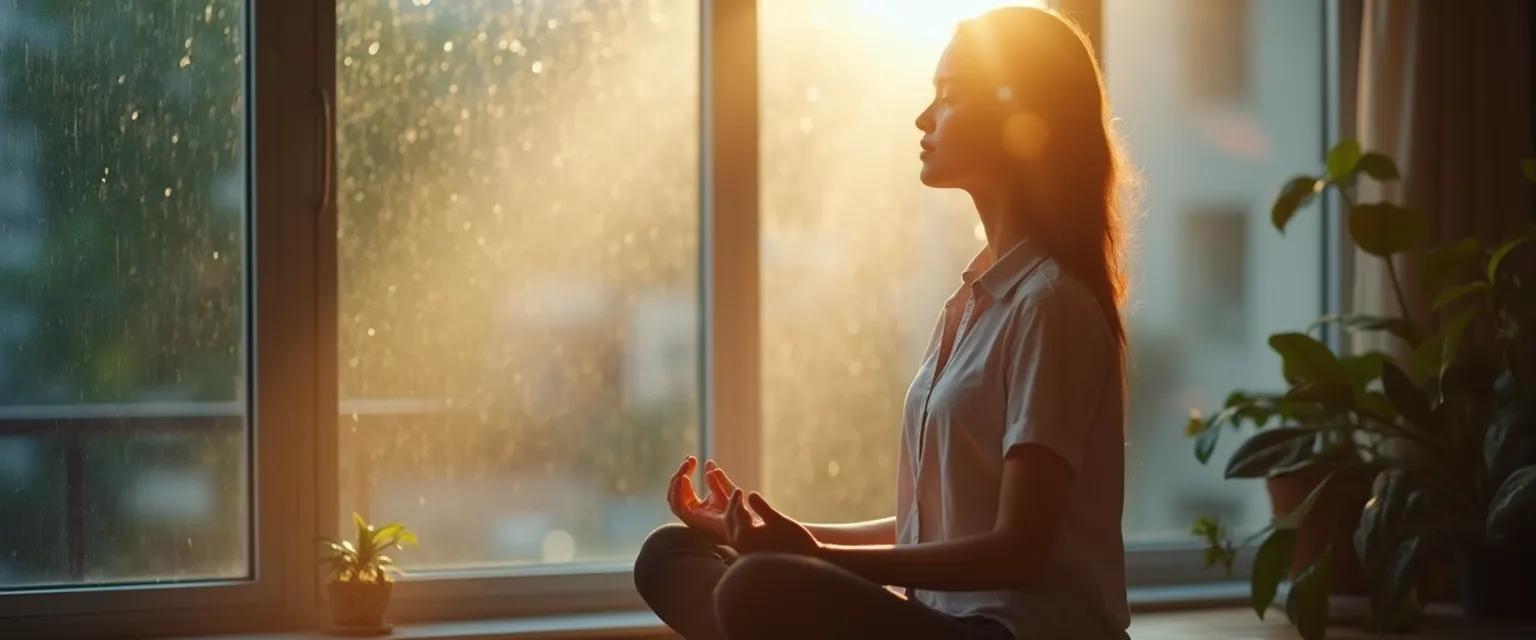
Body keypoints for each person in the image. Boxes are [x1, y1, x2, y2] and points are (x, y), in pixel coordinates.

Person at [633, 6, 1132, 639]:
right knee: (671, 554)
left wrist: (809, 560)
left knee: (760, 587)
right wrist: (780, 534)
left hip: (1015, 633)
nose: (924, 118)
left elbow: (1019, 549)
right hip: (939, 622)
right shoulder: (974, 299)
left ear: (1016, 119)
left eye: (948, 98)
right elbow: (932, 525)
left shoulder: (1050, 305)